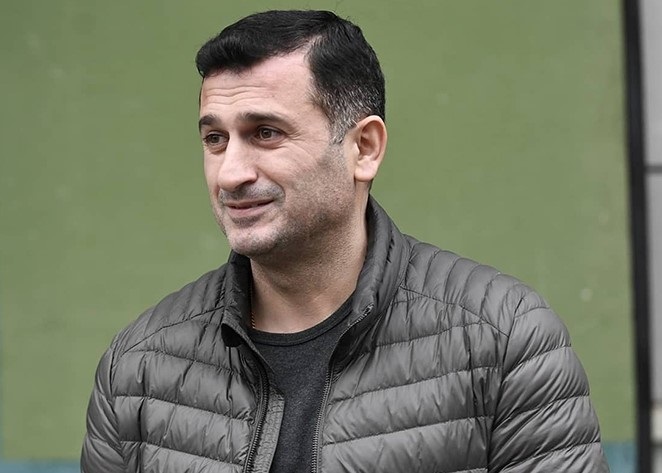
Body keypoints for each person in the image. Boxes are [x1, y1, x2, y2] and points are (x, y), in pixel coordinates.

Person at [81, 9, 609, 473]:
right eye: (215, 139)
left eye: (266, 133)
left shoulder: (504, 337)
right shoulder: (138, 368)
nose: (230, 173)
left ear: (364, 148)